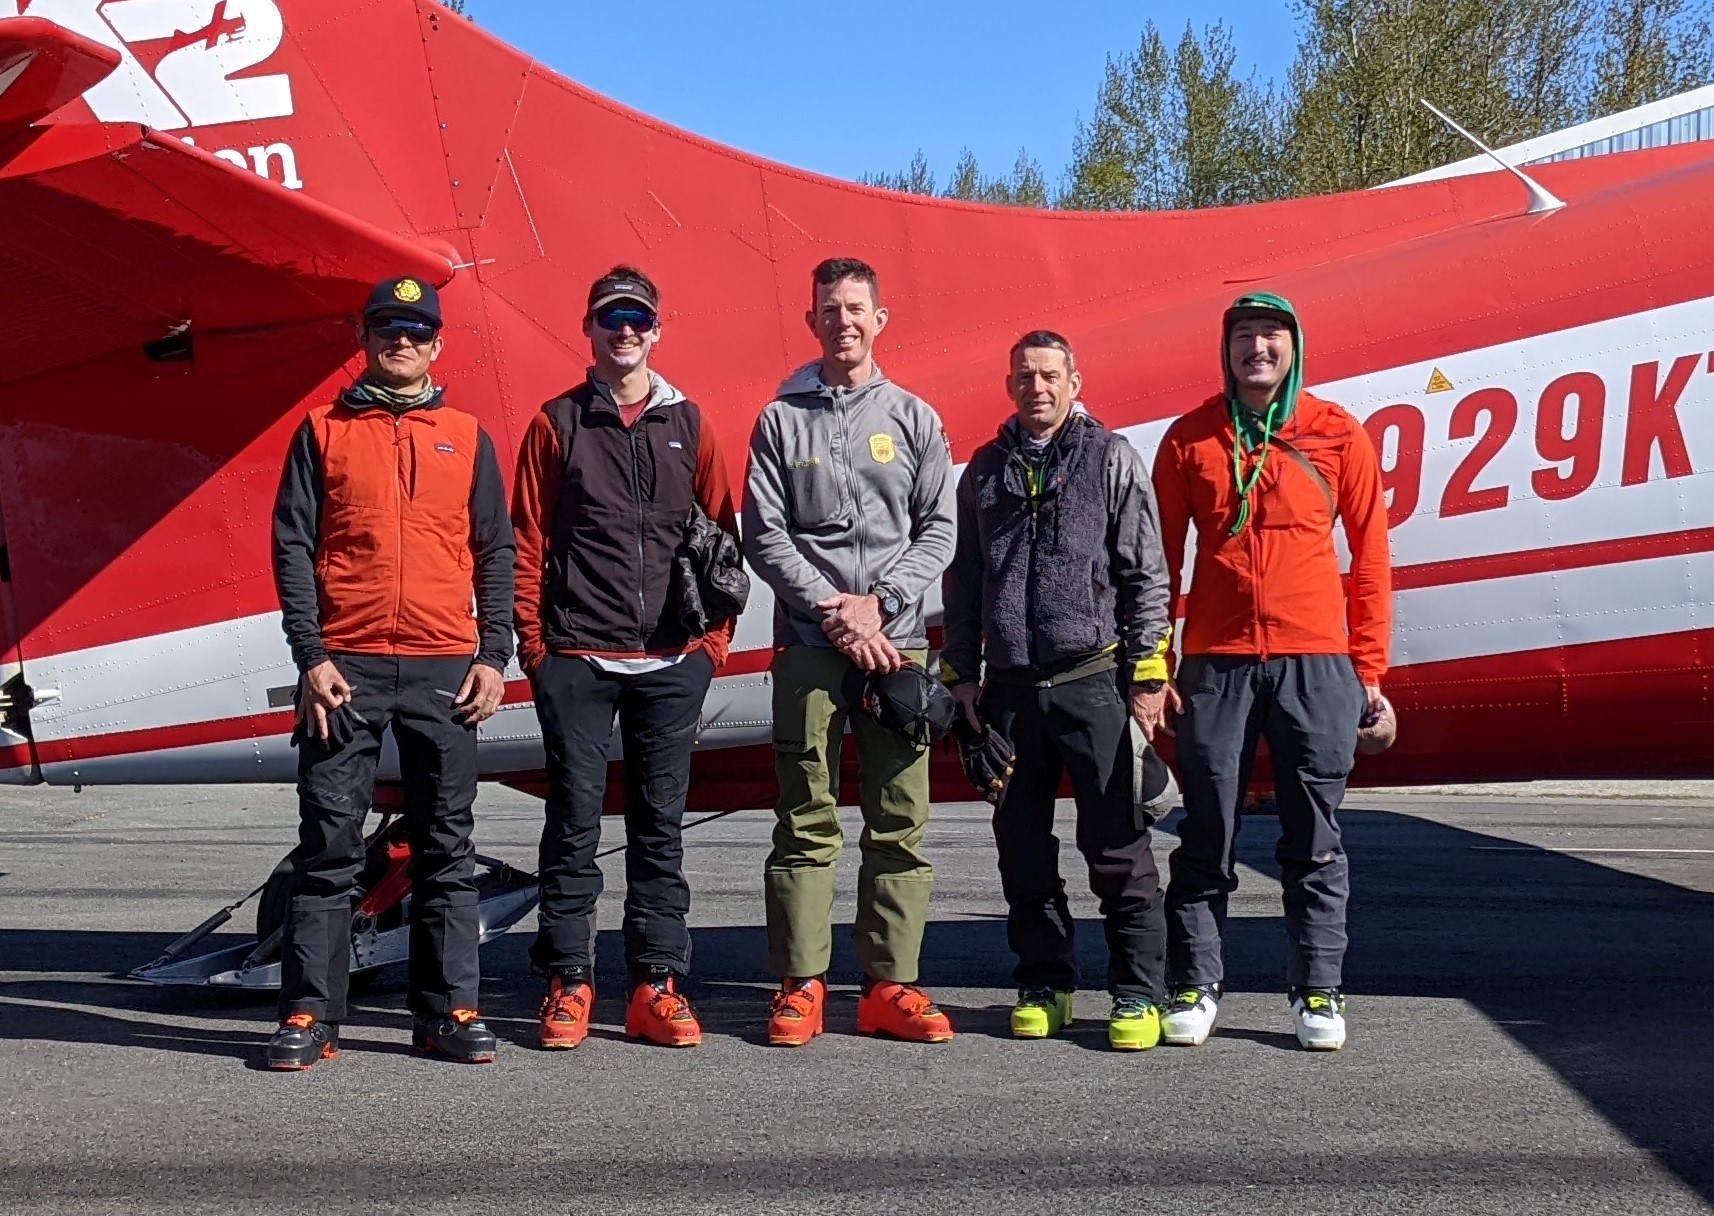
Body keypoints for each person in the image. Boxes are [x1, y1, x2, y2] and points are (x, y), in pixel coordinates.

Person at [268, 276, 513, 1070]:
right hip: (348, 667)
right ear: (366, 340)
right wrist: (312, 657)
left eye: (415, 331)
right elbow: (293, 549)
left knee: (447, 845)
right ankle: (310, 1016)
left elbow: (496, 552)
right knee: (330, 847)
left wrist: (493, 655)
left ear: (437, 345)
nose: (400, 343)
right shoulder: (320, 431)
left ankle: (450, 1012)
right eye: (386, 330)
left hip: (446, 664)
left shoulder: (468, 436)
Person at [1151, 291, 1392, 1051]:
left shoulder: (1336, 433)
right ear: (1225, 351)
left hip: (1316, 661)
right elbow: (1159, 564)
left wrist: (1370, 670)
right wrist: (1155, 667)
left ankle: (1317, 991)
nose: (1258, 349)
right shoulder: (1190, 439)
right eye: (1245, 337)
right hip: (1217, 664)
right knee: (1207, 830)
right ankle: (1195, 983)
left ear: (1294, 348)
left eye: (1272, 337)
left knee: (1313, 837)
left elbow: (1372, 556)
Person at [511, 266, 739, 1049]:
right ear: (590, 328)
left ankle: (656, 984)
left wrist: (711, 646)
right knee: (572, 825)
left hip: (672, 661)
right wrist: (535, 650)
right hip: (576, 654)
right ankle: (569, 981)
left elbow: (721, 538)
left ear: (658, 329)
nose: (626, 330)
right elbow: (527, 542)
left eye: (638, 317)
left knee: (659, 830)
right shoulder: (556, 424)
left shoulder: (692, 424)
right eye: (612, 317)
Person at [743, 257, 957, 1046]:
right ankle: (801, 985)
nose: (844, 321)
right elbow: (764, 533)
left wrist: (883, 605)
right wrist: (834, 611)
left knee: (899, 821)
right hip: (810, 647)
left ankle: (890, 986)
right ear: (812, 323)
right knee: (804, 819)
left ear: (880, 319)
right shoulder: (779, 421)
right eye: (830, 309)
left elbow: (940, 529)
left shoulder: (913, 418)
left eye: (856, 308)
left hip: (896, 650)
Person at [941, 330, 1175, 1051]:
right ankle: (1046, 982)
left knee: (1118, 845)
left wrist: (1146, 676)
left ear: (1075, 380)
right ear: (1010, 385)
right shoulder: (982, 472)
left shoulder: (1112, 459)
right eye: (1024, 377)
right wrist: (963, 678)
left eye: (1049, 376)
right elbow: (966, 583)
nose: (1036, 388)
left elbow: (1146, 575)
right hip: (1010, 692)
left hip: (1092, 682)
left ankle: (1138, 993)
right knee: (1021, 850)